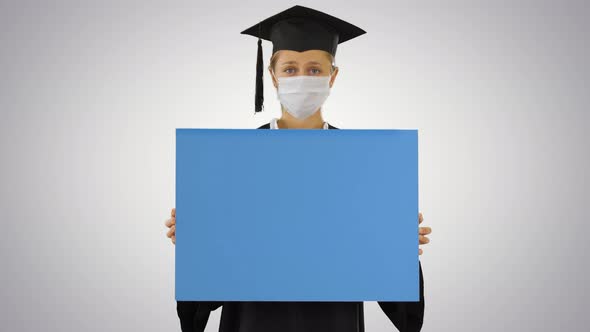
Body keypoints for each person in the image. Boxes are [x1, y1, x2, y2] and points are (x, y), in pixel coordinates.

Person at [164, 5, 433, 332]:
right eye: (290, 69)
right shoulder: (231, 164)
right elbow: (204, 298)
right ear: (273, 75)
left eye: (315, 70)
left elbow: (403, 311)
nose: (302, 78)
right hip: (250, 322)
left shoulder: (364, 167)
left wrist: (399, 248)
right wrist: (198, 243)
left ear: (333, 76)